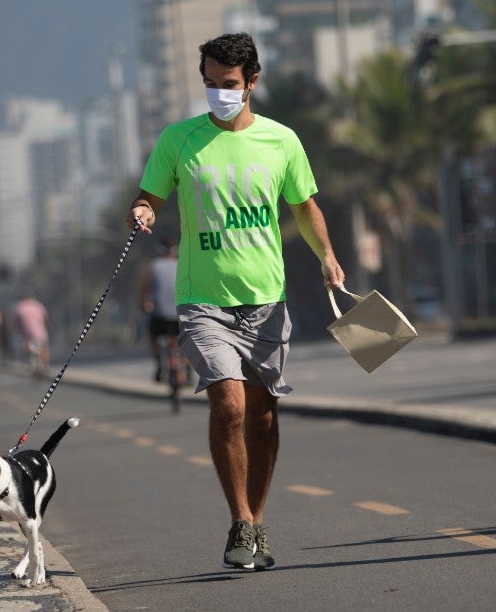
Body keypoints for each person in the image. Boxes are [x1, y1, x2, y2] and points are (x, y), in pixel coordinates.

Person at [125, 32, 345, 571]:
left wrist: (328, 256)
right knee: (229, 403)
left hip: (266, 300)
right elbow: (149, 194)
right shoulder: (179, 140)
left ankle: (257, 521)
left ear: (251, 81)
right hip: (203, 301)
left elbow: (304, 206)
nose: (219, 93)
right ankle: (240, 520)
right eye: (209, 84)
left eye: (228, 84)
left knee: (263, 417)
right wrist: (144, 210)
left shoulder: (281, 141)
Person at [139, 237, 184, 384]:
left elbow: (145, 290)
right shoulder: (182, 265)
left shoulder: (152, 266)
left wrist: (145, 303)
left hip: (160, 316)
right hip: (180, 315)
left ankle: (159, 363)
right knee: (188, 341)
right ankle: (185, 370)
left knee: (152, 335)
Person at [12, 291, 50, 373]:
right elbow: (46, 319)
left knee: (26, 346)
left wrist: (17, 330)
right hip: (40, 332)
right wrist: (46, 328)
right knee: (43, 348)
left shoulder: (19, 307)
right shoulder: (38, 305)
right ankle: (45, 365)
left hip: (27, 334)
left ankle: (29, 361)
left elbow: (16, 323)